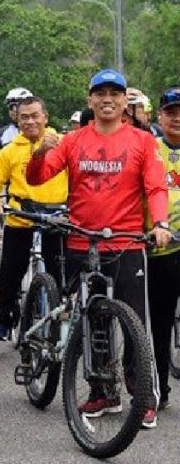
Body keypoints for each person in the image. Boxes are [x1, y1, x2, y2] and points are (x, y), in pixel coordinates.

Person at [26, 68, 171, 429]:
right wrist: (38, 153)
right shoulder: (73, 141)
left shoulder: (142, 141)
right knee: (94, 323)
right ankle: (102, 392)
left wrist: (161, 224)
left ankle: (143, 398)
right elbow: (38, 178)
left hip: (126, 243)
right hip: (80, 241)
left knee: (135, 323)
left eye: (115, 93)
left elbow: (155, 187)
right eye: (100, 93)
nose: (107, 99)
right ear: (90, 99)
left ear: (125, 101)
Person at [0, 97, 68, 340]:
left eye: (35, 115)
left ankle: (61, 315)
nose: (30, 121)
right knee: (9, 273)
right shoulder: (10, 150)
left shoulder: (61, 143)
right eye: (24, 117)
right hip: (20, 218)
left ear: (45, 117)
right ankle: (4, 316)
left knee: (60, 273)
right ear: (16, 120)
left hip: (55, 218)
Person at [145, 87, 180, 411]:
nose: (178, 118)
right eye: (171, 112)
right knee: (159, 323)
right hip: (160, 250)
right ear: (161, 116)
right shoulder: (149, 149)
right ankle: (158, 390)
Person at [0, 87, 33, 160]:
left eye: (17, 105)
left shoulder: (39, 130)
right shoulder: (3, 133)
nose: (14, 109)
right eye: (10, 106)